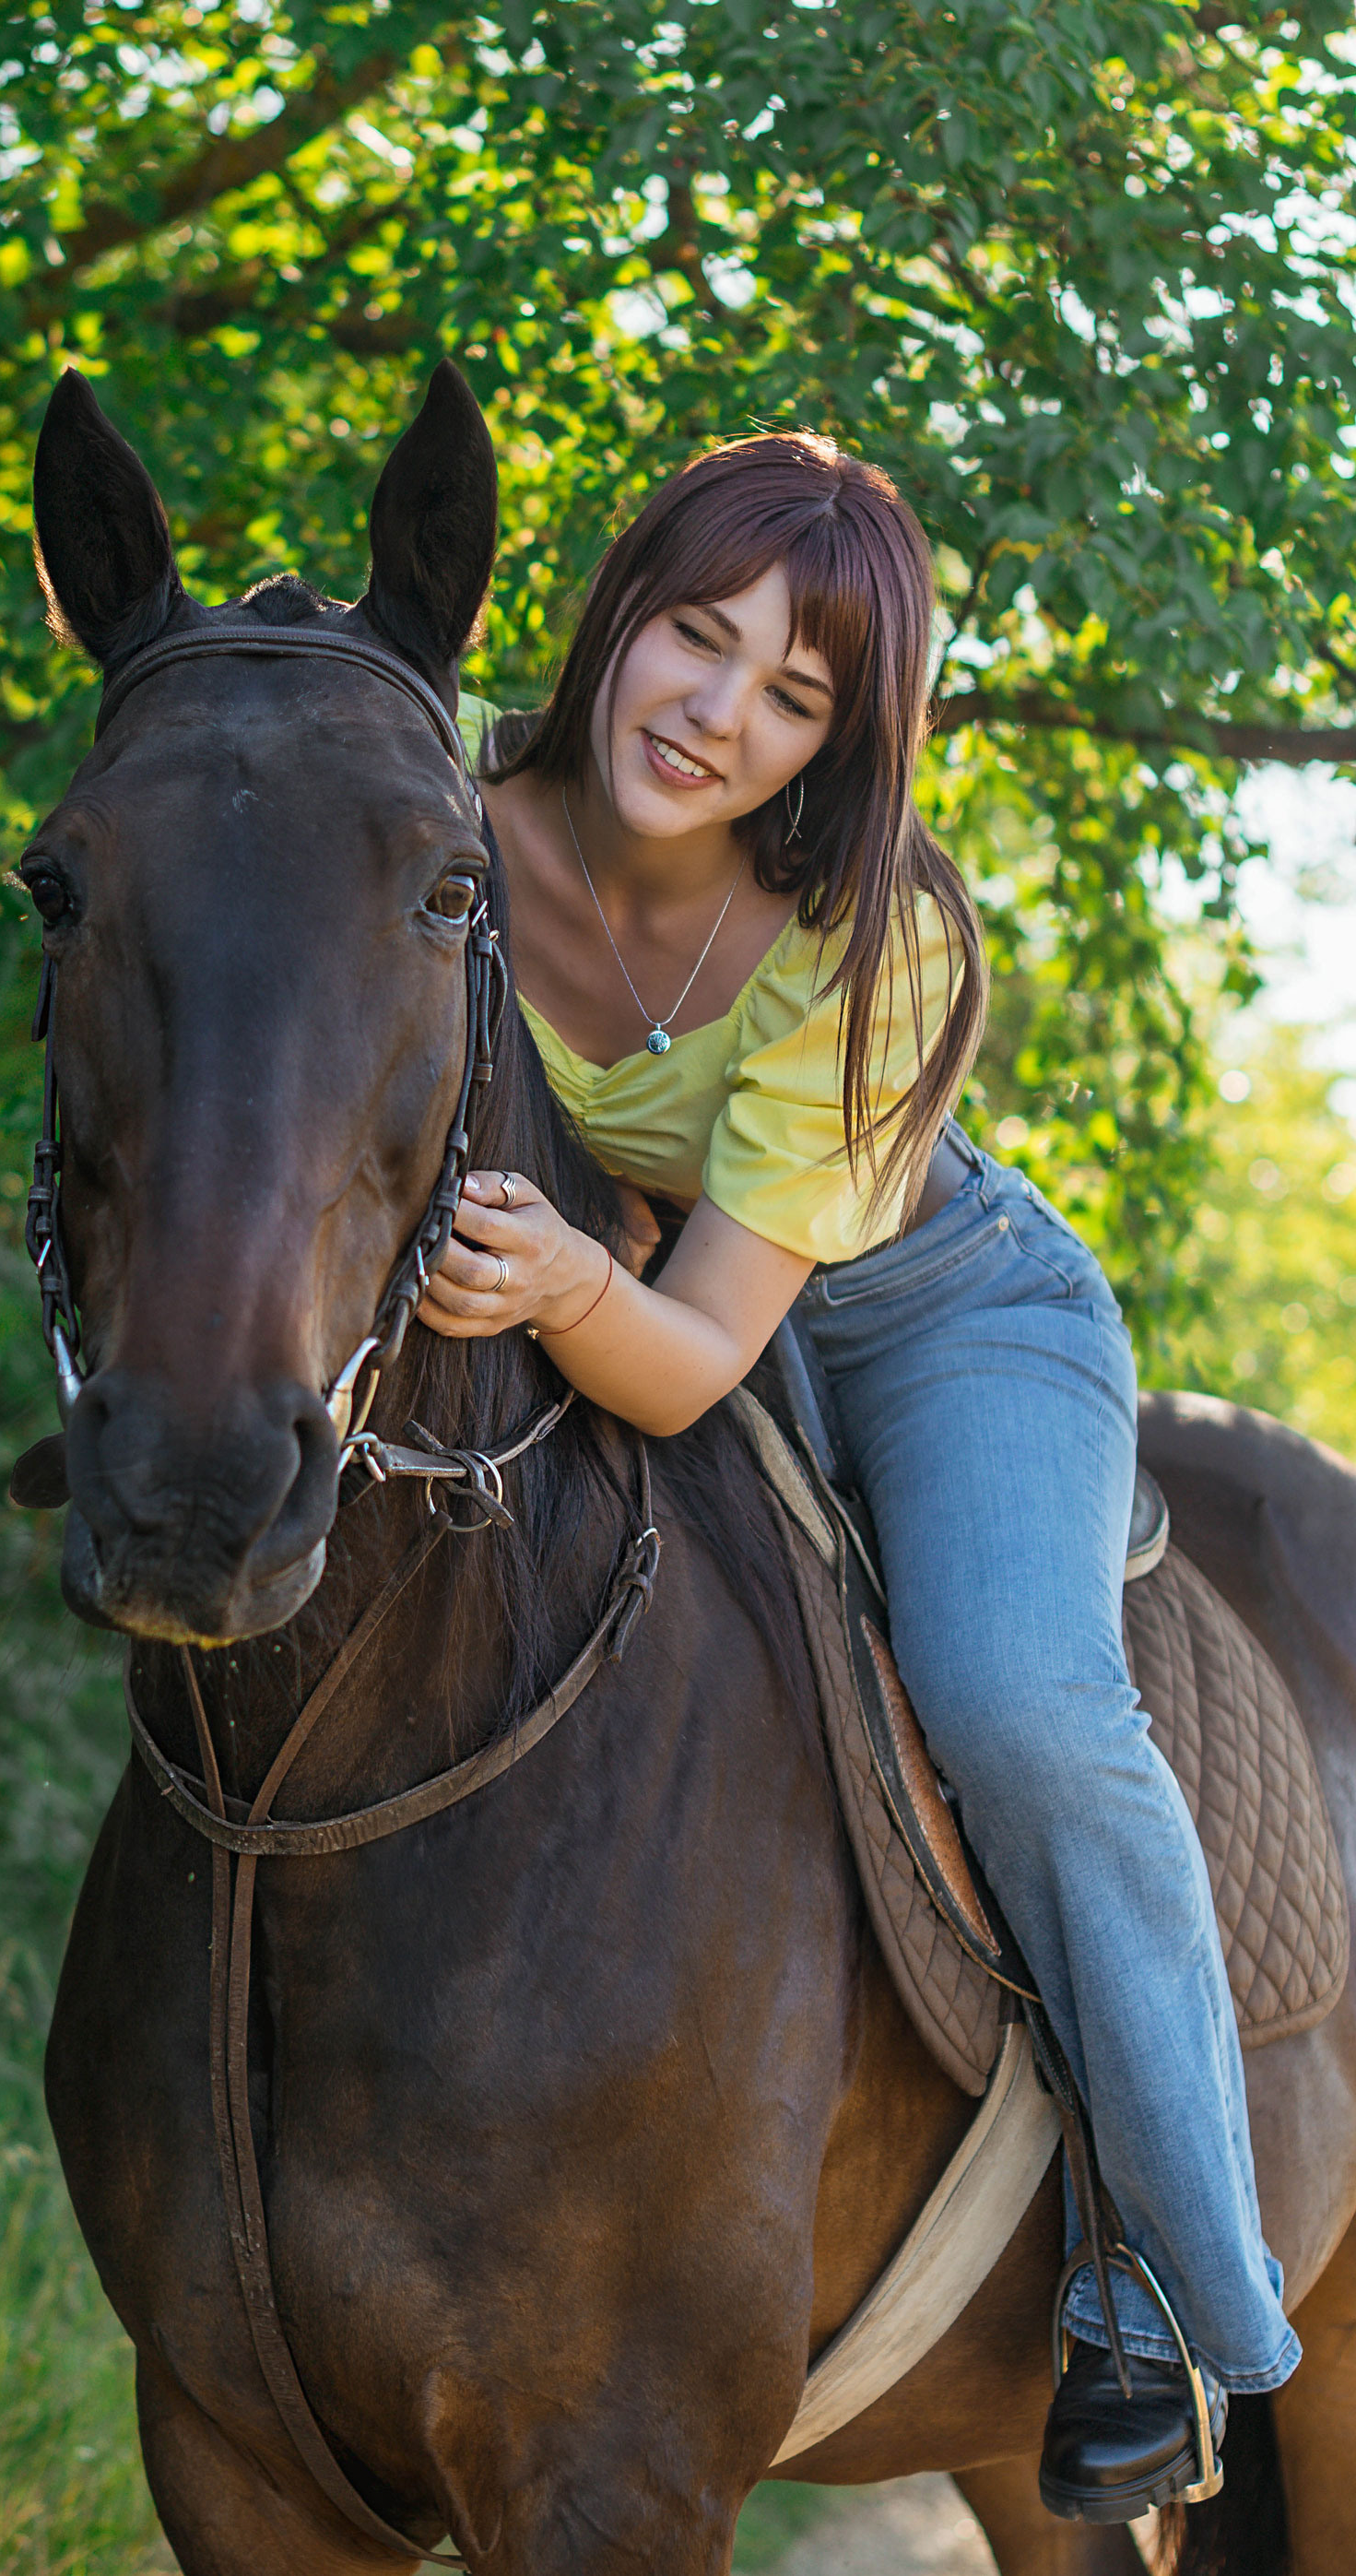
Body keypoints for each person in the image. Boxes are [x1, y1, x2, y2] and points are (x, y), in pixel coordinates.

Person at [419, 431, 1298, 2524]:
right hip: (618, 1278)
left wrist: (550, 1274)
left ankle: (1189, 2292)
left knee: (1014, 1700)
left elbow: (699, 1351)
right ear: (618, 607)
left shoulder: (864, 930)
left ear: (840, 740)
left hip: (923, 1319)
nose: (715, 710)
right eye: (695, 635)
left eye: (792, 693)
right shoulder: (445, 818)